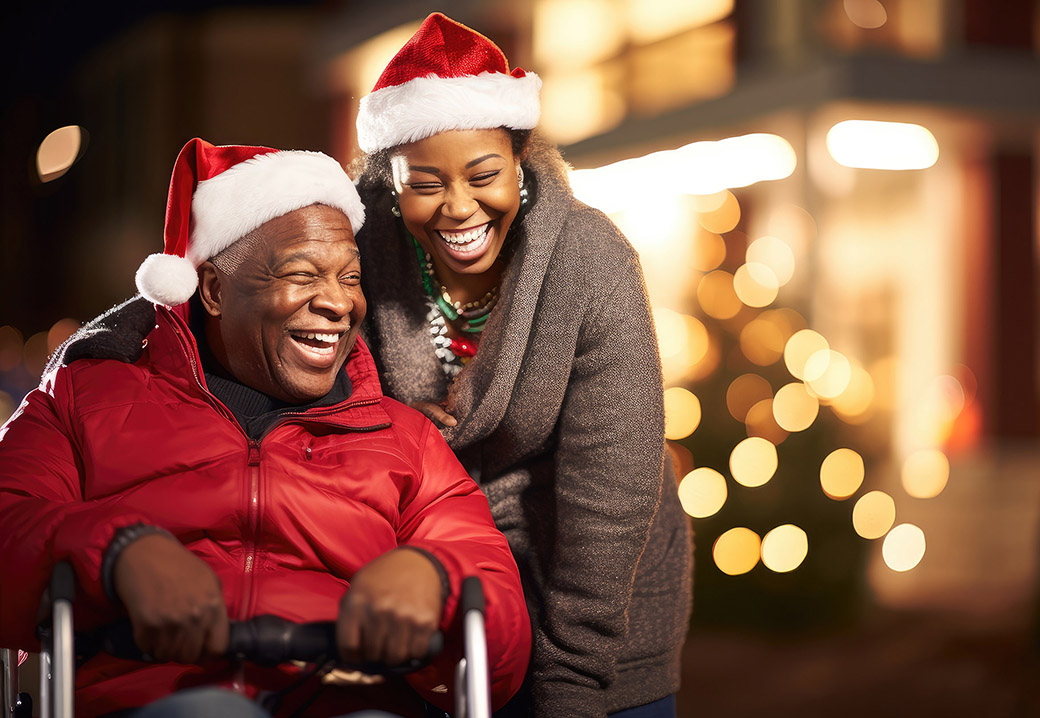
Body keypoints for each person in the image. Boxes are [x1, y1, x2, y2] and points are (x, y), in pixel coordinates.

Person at [51, 13, 692, 717]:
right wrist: (140, 320)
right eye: (425, 183)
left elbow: (611, 490)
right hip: (434, 593)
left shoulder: (588, 261)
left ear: (518, 161)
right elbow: (237, 287)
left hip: (592, 585)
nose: (458, 207)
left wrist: (572, 684)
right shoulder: (362, 254)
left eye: (484, 174)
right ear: (388, 182)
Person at [0, 138, 530, 718]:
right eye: (303, 274)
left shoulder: (405, 439)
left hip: (348, 701)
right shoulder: (85, 397)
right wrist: (115, 552)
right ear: (214, 290)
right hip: (153, 696)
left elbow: (497, 621)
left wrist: (437, 581)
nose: (337, 302)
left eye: (351, 279)